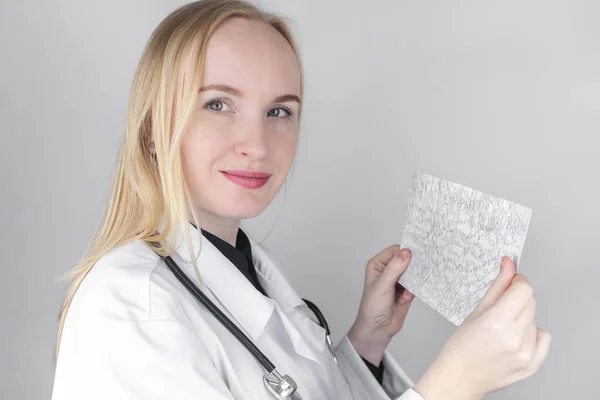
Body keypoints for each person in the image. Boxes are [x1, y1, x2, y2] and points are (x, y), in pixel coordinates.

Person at [51, 1, 551, 399]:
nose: (258, 144)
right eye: (218, 104)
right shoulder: (133, 307)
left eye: (279, 111)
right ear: (153, 128)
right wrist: (454, 386)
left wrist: (366, 343)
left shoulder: (253, 276)